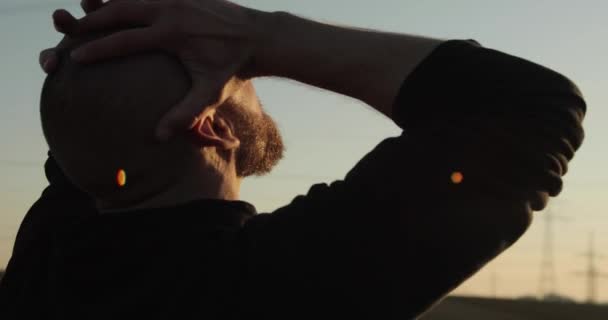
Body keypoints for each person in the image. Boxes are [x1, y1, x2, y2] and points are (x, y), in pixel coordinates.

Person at [0, 0, 586, 319]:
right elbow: (530, 108)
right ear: (209, 125)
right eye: (241, 78)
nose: (259, 84)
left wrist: (100, 60)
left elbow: (98, 131)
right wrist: (259, 36)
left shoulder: (44, 262)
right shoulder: (268, 290)